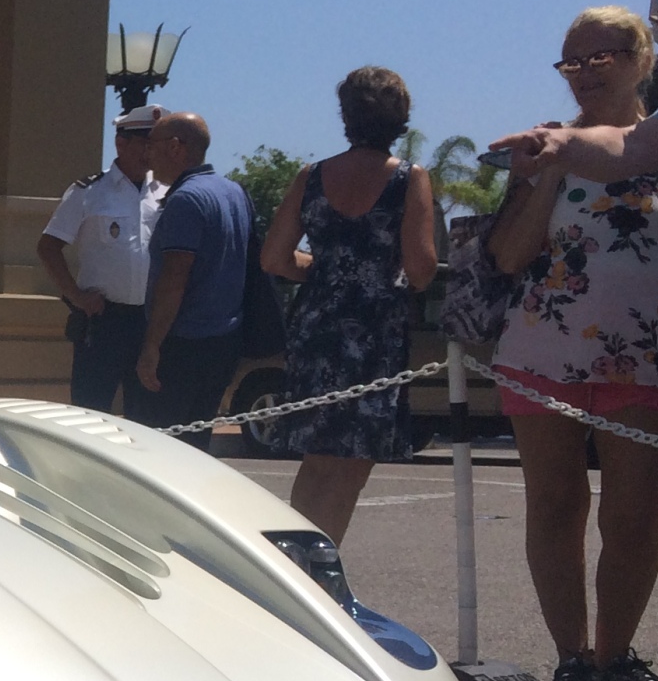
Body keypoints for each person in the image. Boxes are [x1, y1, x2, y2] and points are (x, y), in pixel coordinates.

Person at [486, 6, 658, 681]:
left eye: (601, 57)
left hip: (646, 355)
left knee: (636, 520)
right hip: (546, 348)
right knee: (557, 507)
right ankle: (573, 662)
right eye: (572, 62)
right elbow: (509, 255)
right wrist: (547, 172)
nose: (584, 74)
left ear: (643, 58)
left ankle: (616, 657)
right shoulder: (549, 145)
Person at [258, 67, 437, 540]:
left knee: (316, 461)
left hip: (317, 324)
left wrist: (322, 271)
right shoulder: (409, 179)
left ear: (346, 115)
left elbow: (274, 258)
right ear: (401, 117)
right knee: (353, 463)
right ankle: (322, 570)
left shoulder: (312, 176)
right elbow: (421, 269)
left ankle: (297, 566)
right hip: (375, 329)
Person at [37, 104, 167, 412]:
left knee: (148, 415)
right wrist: (76, 296)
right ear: (121, 143)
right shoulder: (89, 191)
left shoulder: (165, 192)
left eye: (155, 145)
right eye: (144, 144)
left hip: (150, 322)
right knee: (91, 411)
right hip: (104, 320)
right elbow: (48, 247)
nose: (150, 153)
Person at [130, 112, 251, 432]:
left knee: (159, 446)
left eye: (151, 144)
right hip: (223, 342)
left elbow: (174, 279)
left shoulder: (186, 200)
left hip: (182, 347)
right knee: (197, 445)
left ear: (174, 147)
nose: (147, 153)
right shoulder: (234, 193)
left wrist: (152, 345)